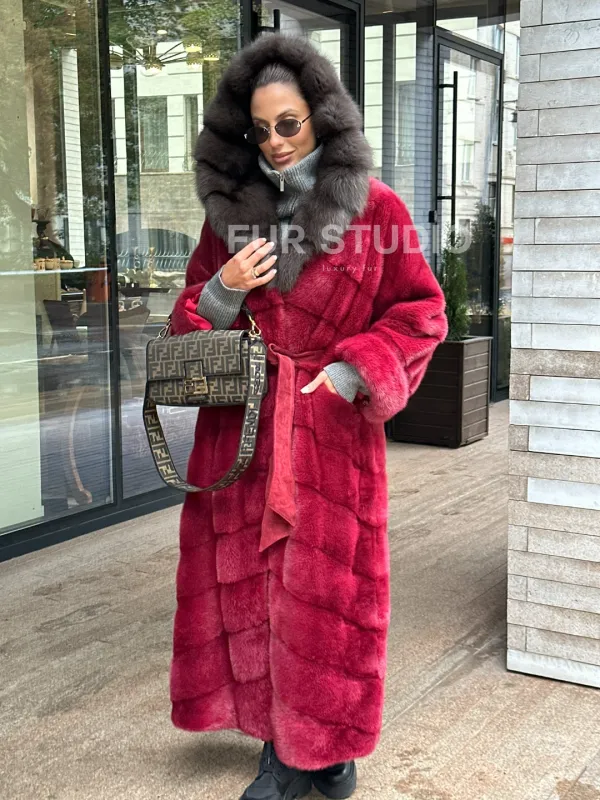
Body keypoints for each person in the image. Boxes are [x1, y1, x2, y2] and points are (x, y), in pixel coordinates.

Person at [168, 32, 448, 800]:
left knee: (326, 602)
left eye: (288, 123)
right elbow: (185, 331)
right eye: (260, 129)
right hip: (243, 439)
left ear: (321, 116)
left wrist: (353, 372)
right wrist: (222, 290)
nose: (276, 142)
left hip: (329, 436)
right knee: (256, 595)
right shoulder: (229, 217)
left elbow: (422, 312)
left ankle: (315, 752)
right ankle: (290, 749)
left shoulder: (376, 209)